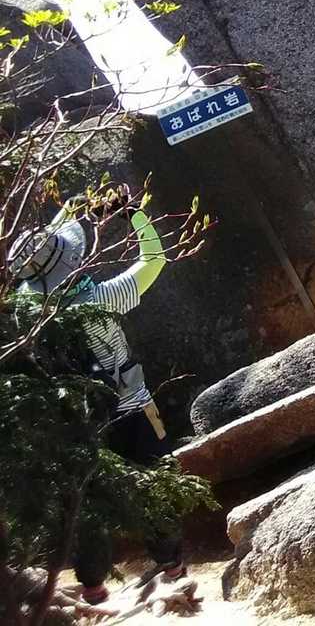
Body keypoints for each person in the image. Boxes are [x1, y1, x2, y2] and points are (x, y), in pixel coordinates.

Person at [9, 189, 185, 606]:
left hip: (77, 425)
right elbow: (154, 259)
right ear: (73, 262)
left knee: (86, 506)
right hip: (133, 408)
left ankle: (92, 587)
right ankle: (173, 569)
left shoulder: (26, 316)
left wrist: (74, 207)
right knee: (154, 484)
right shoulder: (101, 298)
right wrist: (133, 213)